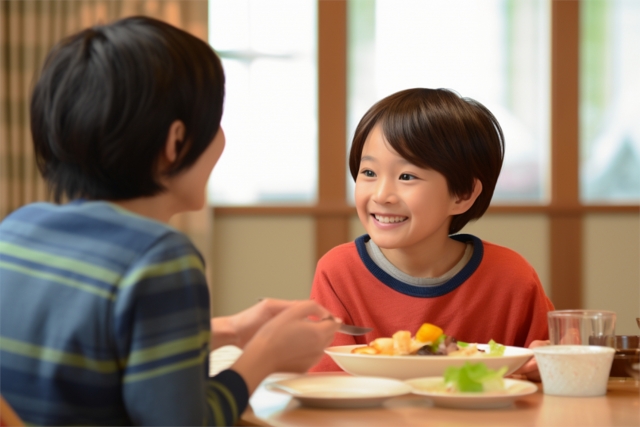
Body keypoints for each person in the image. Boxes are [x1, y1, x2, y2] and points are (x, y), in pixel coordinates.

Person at [0, 16, 340, 426]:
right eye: (214, 121)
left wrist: (232, 329)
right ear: (176, 143)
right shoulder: (158, 257)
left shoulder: (16, 229)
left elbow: (89, 351)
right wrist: (263, 357)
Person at [309, 88, 553, 380]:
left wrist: (548, 361)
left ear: (462, 195)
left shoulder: (511, 277)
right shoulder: (339, 272)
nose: (382, 194)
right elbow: (327, 383)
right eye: (369, 173)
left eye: (407, 177)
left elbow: (549, 362)